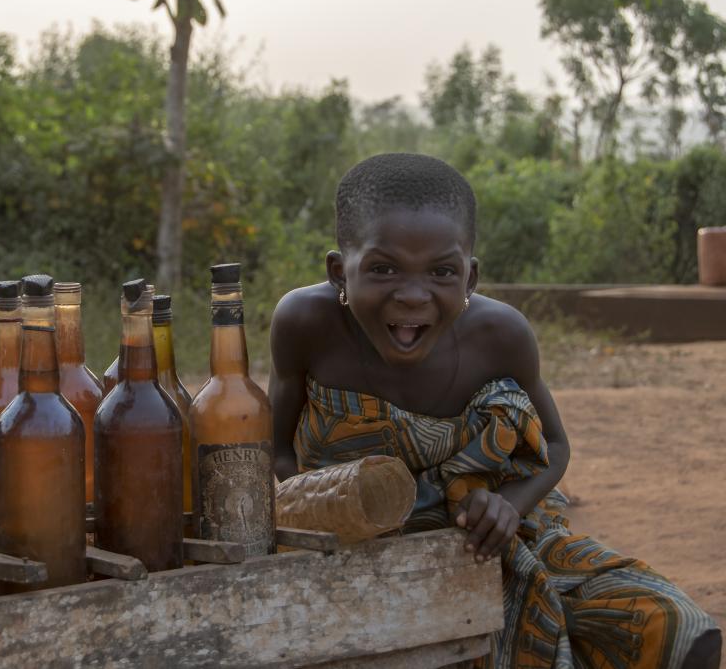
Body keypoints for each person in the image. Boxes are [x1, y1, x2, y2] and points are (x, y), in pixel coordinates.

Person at [269, 153, 722, 668]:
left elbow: (554, 446)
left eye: (442, 271)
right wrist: (326, 522)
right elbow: (274, 450)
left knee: (681, 633)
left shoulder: (501, 337)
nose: (414, 294)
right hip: (346, 548)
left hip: (485, 541)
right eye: (383, 268)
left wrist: (509, 504)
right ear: (338, 273)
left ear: (471, 277)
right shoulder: (306, 324)